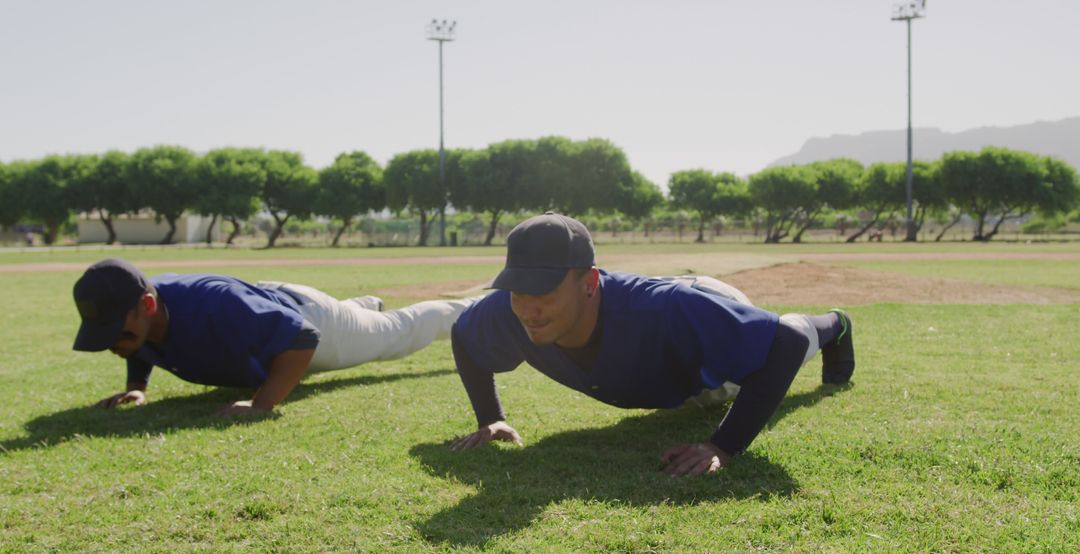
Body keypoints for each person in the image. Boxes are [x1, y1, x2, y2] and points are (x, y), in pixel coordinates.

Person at [446, 213, 855, 476]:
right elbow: (464, 336)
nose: (528, 309)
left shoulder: (667, 310)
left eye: (544, 291)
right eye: (519, 290)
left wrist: (723, 446)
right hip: (672, 311)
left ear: (588, 282)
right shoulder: (510, 308)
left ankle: (835, 324)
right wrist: (490, 418)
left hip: (705, 313)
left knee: (786, 336)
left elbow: (782, 344)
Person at [72, 258, 476, 416]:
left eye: (114, 330)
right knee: (356, 317)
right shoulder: (145, 312)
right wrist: (137, 386)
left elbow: (302, 337)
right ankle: (363, 305)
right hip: (268, 305)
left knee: (397, 334)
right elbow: (138, 341)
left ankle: (474, 309)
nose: (114, 344)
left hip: (312, 323)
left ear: (145, 306)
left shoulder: (217, 304)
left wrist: (261, 403)